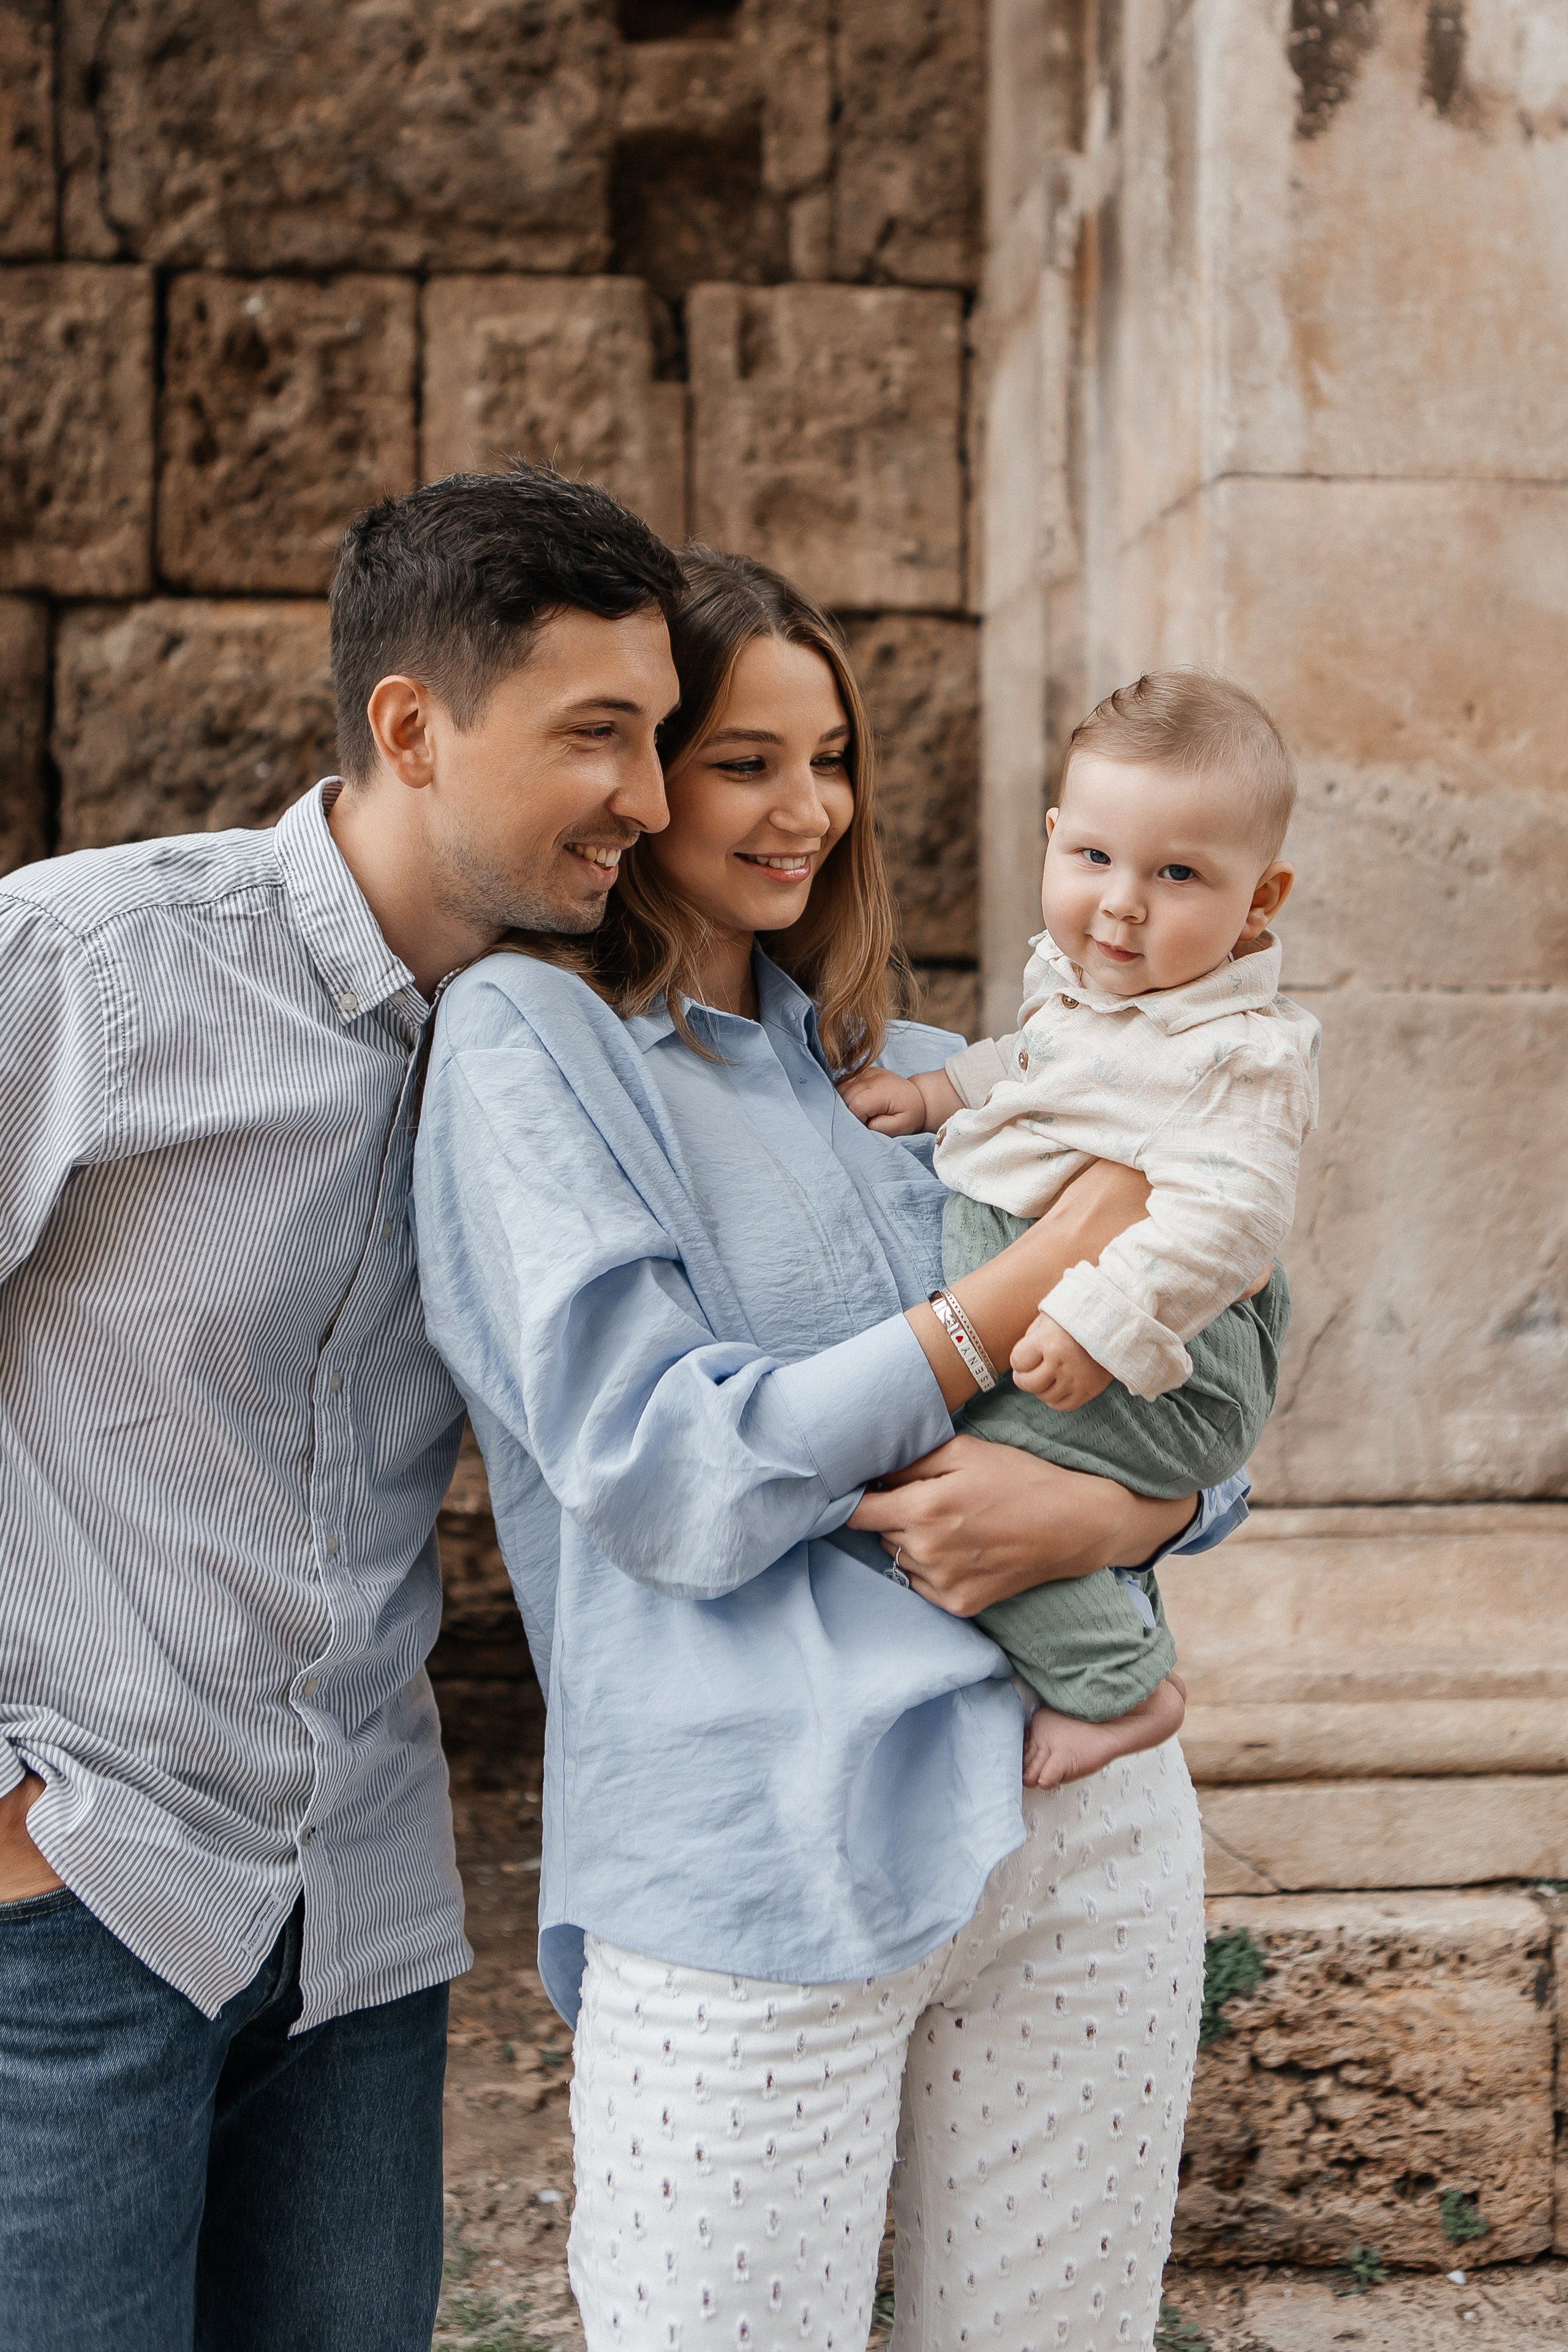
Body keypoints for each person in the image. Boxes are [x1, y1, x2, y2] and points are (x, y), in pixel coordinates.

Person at [412, 549, 1264, 2351]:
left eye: (831, 758)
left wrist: (1108, 1512)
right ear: (643, 783)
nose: (805, 810)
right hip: (752, 1857)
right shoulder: (532, 1043)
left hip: (1084, 1835)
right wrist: (1024, 1280)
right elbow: (669, 1475)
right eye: (743, 762)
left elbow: (1222, 1409)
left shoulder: (955, 1070)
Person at [0, 465, 685, 2351]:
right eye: (598, 734)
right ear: (412, 727)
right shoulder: (87, 962)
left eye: (661, 737)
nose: (649, 796)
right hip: (76, 1906)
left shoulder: (561, 1061)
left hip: (363, 1935)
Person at [839, 671, 1319, 1789]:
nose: (1123, 904)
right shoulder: (1092, 992)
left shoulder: (1241, 1053)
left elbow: (1231, 1219)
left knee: (967, 1488)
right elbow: (1043, 1069)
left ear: (1261, 899)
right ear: (1054, 838)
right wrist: (935, 1094)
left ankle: (1121, 1686)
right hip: (1072, 1318)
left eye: (1178, 874)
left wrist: (1101, 1315)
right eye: (1096, 857)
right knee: (968, 1482)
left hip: (1159, 1344)